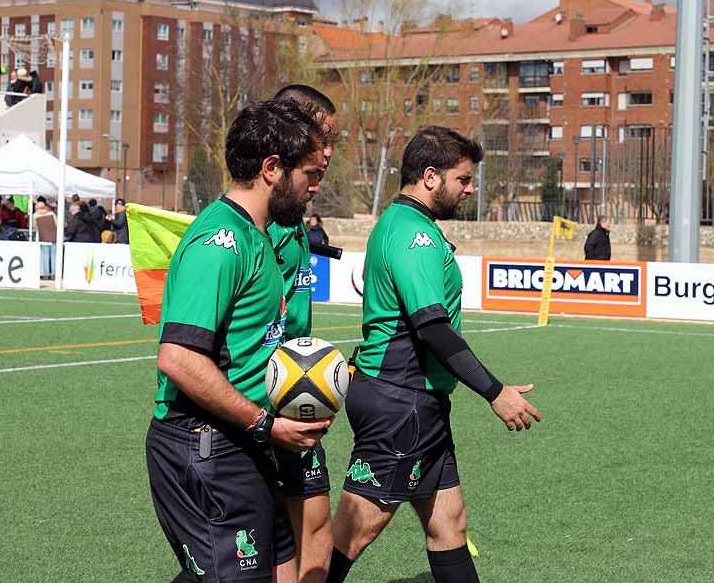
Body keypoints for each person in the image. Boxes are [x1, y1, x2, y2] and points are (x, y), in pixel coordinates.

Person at [327, 126, 541, 583]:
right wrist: (494, 392)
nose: (469, 189)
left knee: (449, 524)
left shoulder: (413, 227)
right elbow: (433, 329)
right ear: (430, 176)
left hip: (420, 403)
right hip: (399, 401)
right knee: (353, 532)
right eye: (463, 180)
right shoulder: (412, 234)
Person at [145, 98, 329, 583]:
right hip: (202, 445)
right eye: (309, 173)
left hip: (244, 443)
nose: (316, 185)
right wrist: (266, 424)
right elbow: (179, 358)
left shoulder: (262, 236)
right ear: (272, 169)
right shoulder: (219, 242)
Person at [270, 84, 338, 583]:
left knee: (315, 531)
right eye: (323, 137)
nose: (330, 151)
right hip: (260, 407)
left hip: (298, 398)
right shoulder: (261, 220)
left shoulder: (294, 218)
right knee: (261, 551)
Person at [34, 200, 58, 278]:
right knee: (54, 256)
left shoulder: (35, 215)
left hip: (43, 237)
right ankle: (54, 273)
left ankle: (46, 273)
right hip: (54, 237)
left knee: (45, 256)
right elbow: (57, 224)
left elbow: (35, 227)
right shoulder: (52, 214)